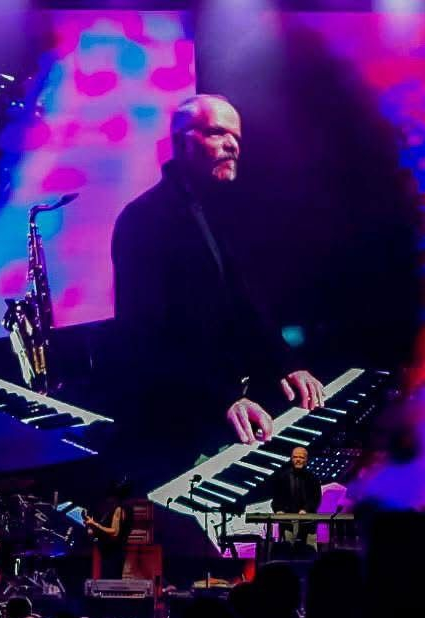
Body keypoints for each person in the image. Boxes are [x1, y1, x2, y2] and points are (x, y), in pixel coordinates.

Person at [105, 94, 326, 482]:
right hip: (173, 429)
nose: (232, 145)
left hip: (221, 409)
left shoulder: (218, 211)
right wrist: (222, 398)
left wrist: (287, 363)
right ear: (181, 142)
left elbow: (246, 306)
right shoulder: (142, 219)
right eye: (217, 132)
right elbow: (146, 338)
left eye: (236, 137)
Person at [267, 446, 322, 557]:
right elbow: (276, 499)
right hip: (288, 522)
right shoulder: (282, 477)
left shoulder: (313, 478)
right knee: (287, 552)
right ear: (291, 459)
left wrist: (306, 509)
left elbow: (316, 498)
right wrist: (279, 510)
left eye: (301, 457)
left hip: (308, 523)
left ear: (306, 460)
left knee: (310, 552)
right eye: (295, 457)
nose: (298, 460)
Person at [85, 477, 134, 579]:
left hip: (113, 554)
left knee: (111, 581)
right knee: (111, 582)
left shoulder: (119, 509)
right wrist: (93, 528)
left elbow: (114, 532)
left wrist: (95, 524)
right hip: (113, 553)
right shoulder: (123, 508)